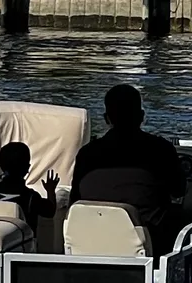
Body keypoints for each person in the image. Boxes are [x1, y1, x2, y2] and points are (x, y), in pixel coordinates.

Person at [70, 83, 185, 247]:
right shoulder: (161, 150)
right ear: (141, 116)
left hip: (90, 241)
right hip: (150, 241)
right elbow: (179, 190)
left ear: (107, 118)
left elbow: (75, 198)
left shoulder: (86, 154)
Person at [0, 141, 58, 226]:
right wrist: (50, 190)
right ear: (27, 168)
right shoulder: (31, 197)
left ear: (2, 166)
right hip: (23, 235)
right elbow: (50, 212)